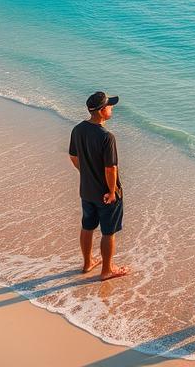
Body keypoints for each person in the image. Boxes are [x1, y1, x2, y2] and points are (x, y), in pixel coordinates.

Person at [68, 91, 130, 281]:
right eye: (110, 106)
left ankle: (87, 263)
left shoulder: (78, 129)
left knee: (87, 225)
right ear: (102, 111)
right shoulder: (106, 136)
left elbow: (73, 157)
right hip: (105, 193)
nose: (112, 109)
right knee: (108, 231)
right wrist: (112, 192)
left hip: (86, 190)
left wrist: (86, 174)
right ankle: (107, 270)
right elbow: (110, 168)